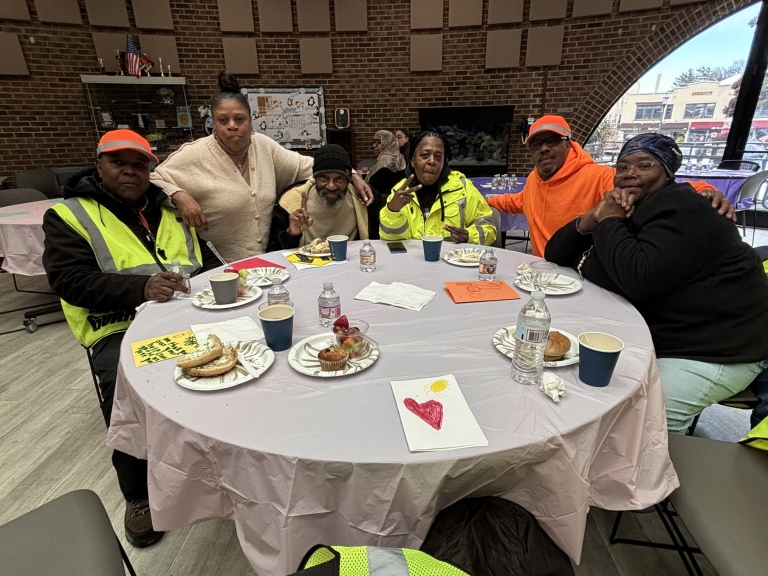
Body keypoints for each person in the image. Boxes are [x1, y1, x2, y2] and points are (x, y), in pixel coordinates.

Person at [42, 129, 219, 547]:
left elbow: (203, 259)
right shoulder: (69, 215)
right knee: (127, 390)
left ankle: (218, 460)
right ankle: (138, 495)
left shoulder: (170, 209)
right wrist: (140, 289)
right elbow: (69, 281)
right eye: (118, 162)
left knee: (248, 357)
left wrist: (233, 279)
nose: (129, 171)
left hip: (186, 316)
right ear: (98, 164)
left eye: (139, 165)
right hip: (116, 325)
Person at [544, 133, 768, 434]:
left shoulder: (683, 207)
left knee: (644, 418)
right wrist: (593, 217)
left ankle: (663, 476)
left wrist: (609, 221)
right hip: (661, 334)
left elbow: (639, 278)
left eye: (644, 165)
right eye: (622, 167)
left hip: (717, 348)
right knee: (580, 386)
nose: (630, 174)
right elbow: (555, 254)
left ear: (666, 172)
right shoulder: (633, 206)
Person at [150, 72, 373, 262]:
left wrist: (352, 175)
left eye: (239, 119)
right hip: (218, 267)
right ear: (213, 123)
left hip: (264, 266)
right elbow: (153, 178)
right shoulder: (194, 154)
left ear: (251, 120)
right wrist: (178, 195)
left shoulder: (264, 147)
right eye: (223, 120)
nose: (232, 126)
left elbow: (312, 165)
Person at [487, 115, 732, 257]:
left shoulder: (597, 175)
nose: (544, 148)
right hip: (542, 272)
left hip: (584, 276)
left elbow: (651, 184)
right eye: (536, 144)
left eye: (552, 141)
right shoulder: (533, 180)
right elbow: (517, 201)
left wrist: (701, 189)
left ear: (569, 145)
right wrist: (482, 199)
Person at [380, 131, 496, 245]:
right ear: (413, 161)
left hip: (453, 261)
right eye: (425, 155)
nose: (432, 161)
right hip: (412, 261)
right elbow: (391, 241)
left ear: (444, 163)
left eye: (438, 157)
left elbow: (489, 227)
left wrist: (469, 236)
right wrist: (393, 211)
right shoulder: (400, 191)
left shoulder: (463, 188)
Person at [268, 144, 374, 250]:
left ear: (348, 181)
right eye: (324, 178)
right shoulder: (290, 204)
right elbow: (272, 251)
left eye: (339, 179)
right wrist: (290, 235)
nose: (331, 186)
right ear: (314, 178)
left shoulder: (361, 198)